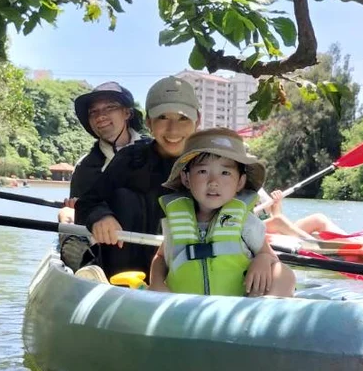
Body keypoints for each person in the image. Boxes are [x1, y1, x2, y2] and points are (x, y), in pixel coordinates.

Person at [75, 75, 199, 275]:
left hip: (186, 270)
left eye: (183, 118)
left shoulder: (212, 162)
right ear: (149, 122)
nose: (173, 129)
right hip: (127, 271)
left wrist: (263, 256)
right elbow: (87, 202)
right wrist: (101, 216)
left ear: (197, 121)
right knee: (125, 198)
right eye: (162, 118)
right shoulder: (130, 158)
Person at [148, 129, 293, 297]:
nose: (213, 182)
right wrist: (156, 283)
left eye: (225, 173)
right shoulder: (178, 222)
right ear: (186, 178)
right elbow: (160, 258)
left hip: (238, 306)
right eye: (203, 171)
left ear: (240, 182)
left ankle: (263, 317)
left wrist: (262, 260)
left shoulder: (245, 221)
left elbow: (267, 254)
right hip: (187, 308)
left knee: (284, 272)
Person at [57, 81, 146, 267]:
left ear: (127, 113)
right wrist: (82, 210)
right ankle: (84, 268)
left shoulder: (153, 152)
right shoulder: (84, 167)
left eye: (110, 107)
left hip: (149, 239)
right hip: (103, 245)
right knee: (65, 213)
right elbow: (83, 209)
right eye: (93, 112)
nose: (100, 116)